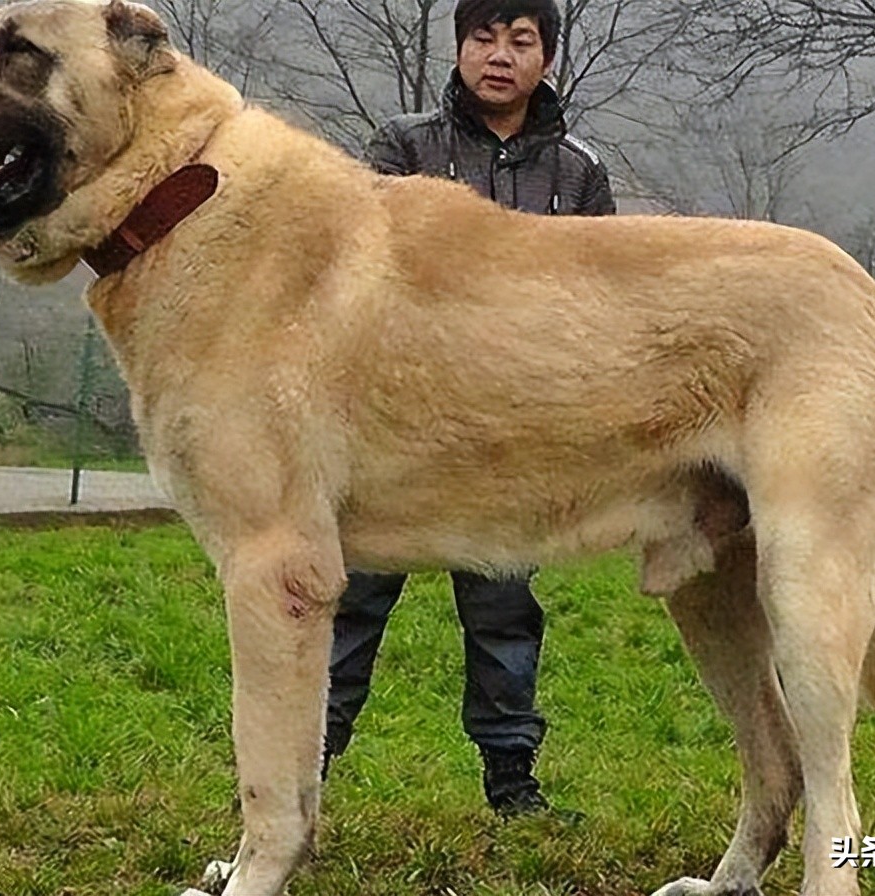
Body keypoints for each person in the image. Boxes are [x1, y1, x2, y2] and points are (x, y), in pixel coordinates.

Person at [324, 0, 617, 817]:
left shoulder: (580, 172)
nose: (500, 55)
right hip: (393, 427)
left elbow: (596, 304)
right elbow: (359, 272)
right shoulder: (401, 146)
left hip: (510, 436)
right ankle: (303, 767)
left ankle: (512, 783)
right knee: (352, 598)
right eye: (483, 37)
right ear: (458, 49)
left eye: (521, 41)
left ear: (547, 60)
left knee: (505, 613)